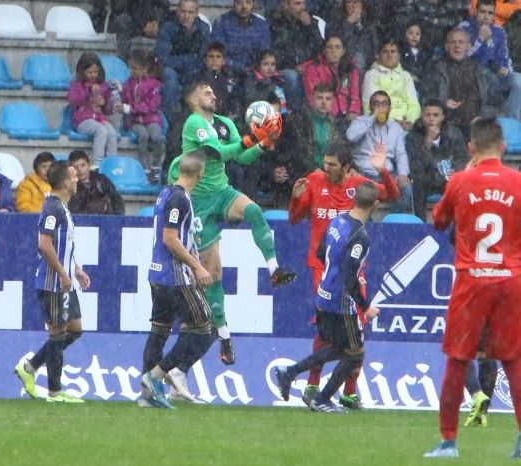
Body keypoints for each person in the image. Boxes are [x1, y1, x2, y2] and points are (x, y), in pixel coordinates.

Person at [167, 80, 295, 368]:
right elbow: (218, 153)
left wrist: (264, 143)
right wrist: (253, 137)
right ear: (192, 98)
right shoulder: (193, 123)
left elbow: (241, 156)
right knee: (213, 273)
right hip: (198, 203)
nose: (213, 93)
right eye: (205, 91)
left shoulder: (224, 123)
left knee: (254, 211)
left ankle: (274, 269)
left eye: (213, 90)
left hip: (222, 192)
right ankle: (224, 335)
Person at [425, 117, 521, 459]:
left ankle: (448, 442)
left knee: (458, 360)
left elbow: (438, 221)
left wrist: (463, 184)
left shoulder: (460, 181)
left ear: (470, 148)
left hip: (471, 279)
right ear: (504, 147)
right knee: (513, 361)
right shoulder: (518, 182)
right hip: (510, 280)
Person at [288, 141, 399, 407]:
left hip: (351, 268)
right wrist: (295, 198)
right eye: (325, 163)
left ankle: (349, 391)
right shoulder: (314, 181)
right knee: (327, 331)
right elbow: (294, 219)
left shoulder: (358, 185)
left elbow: (393, 196)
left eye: (332, 165)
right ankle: (313, 386)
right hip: (322, 267)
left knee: (357, 327)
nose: (325, 169)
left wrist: (383, 171)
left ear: (347, 167)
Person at [276, 181, 381, 412]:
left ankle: (290, 372)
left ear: (354, 200)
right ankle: (322, 399)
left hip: (323, 296)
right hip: (340, 304)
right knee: (355, 354)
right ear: (375, 204)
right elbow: (351, 276)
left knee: (339, 348)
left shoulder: (338, 220)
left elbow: (321, 252)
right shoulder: (360, 236)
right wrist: (365, 307)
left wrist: (331, 276)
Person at [140, 151, 215, 408]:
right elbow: (170, 238)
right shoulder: (179, 200)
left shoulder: (166, 193)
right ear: (200, 174)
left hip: (157, 274)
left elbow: (180, 237)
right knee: (204, 329)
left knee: (159, 331)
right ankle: (159, 375)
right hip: (173, 277)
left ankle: (148, 397)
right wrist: (197, 267)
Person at [14, 161, 91, 403]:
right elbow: (44, 244)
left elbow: (61, 244)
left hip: (65, 280)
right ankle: (55, 392)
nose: (77, 178)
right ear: (65, 182)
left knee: (75, 329)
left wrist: (75, 268)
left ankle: (30, 367)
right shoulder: (52, 208)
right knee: (57, 335)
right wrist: (62, 273)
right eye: (73, 176)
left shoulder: (62, 207)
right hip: (53, 283)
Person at [346, 90, 414, 213]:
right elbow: (351, 137)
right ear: (370, 107)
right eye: (376, 104)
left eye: (384, 104)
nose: (380, 107)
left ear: (390, 107)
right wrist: (372, 118)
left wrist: (403, 173)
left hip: (386, 176)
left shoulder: (395, 128)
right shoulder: (360, 121)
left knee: (406, 188)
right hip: (362, 174)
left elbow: (401, 154)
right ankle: (368, 226)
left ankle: (392, 222)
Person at [406, 98, 469, 220]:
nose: (431, 119)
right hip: (426, 179)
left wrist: (456, 170)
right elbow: (415, 166)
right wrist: (427, 143)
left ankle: (459, 223)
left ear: (442, 117)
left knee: (463, 185)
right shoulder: (413, 136)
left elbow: (463, 157)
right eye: (427, 115)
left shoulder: (453, 133)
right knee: (417, 185)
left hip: (448, 178)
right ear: (421, 116)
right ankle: (421, 223)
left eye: (436, 115)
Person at [460, 0, 521, 121]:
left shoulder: (498, 31)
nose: (486, 16)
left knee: (518, 79)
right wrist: (480, 40)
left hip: (493, 77)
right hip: (471, 76)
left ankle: (511, 120)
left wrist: (505, 68)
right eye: (482, 12)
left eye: (490, 13)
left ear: (494, 15)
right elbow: (461, 57)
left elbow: (504, 57)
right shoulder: (464, 28)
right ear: (475, 11)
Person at [154, 0, 210, 115]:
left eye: (190, 12)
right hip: (172, 69)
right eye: (183, 11)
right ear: (177, 11)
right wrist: (188, 59)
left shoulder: (203, 28)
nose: (186, 16)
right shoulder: (167, 28)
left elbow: (204, 57)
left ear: (196, 13)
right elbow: (162, 57)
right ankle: (170, 118)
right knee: (169, 77)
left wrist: (182, 61)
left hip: (194, 69)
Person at [268, 0, 324, 106]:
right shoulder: (277, 23)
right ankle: (297, 112)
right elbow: (274, 51)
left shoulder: (310, 22)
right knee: (292, 77)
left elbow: (320, 48)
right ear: (286, 5)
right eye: (297, 4)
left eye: (303, 3)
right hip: (284, 68)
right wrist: (293, 65)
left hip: (308, 67)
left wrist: (309, 26)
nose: (302, 7)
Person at [68, 52, 118, 167]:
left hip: (99, 119)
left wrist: (104, 103)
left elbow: (108, 109)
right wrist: (88, 91)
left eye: (96, 72)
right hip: (82, 121)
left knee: (112, 133)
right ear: (82, 72)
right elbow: (73, 100)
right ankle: (97, 165)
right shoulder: (77, 85)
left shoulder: (103, 85)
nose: (93, 75)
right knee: (101, 130)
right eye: (89, 72)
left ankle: (112, 164)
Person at [121, 50, 165, 180]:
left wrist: (132, 108)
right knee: (143, 135)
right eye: (132, 68)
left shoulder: (154, 84)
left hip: (151, 119)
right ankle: (145, 167)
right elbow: (124, 102)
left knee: (157, 137)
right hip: (135, 121)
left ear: (145, 69)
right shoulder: (127, 85)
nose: (134, 71)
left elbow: (152, 105)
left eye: (138, 68)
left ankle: (156, 166)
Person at [361, 38, 421, 131]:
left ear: (398, 56)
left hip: (406, 125)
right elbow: (370, 105)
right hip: (381, 125)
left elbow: (414, 104)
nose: (389, 55)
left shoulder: (405, 76)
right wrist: (392, 122)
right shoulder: (371, 75)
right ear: (379, 55)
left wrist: (409, 120)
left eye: (393, 51)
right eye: (385, 52)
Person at [301, 34, 362, 123]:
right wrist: (330, 115)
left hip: (348, 117)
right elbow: (313, 98)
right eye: (330, 47)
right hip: (325, 116)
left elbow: (355, 97)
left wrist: (353, 112)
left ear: (343, 51)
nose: (333, 51)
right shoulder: (313, 69)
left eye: (337, 47)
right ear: (324, 51)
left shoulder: (351, 69)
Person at [211, 0, 271, 75]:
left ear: (253, 4)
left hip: (255, 74)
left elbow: (264, 53)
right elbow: (218, 54)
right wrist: (241, 69)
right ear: (233, 4)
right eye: (239, 3)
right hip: (227, 73)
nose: (244, 7)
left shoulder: (261, 25)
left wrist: (253, 70)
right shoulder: (222, 23)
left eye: (248, 2)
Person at [68, 150, 125, 215]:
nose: (80, 169)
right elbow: (74, 212)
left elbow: (116, 199)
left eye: (83, 165)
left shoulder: (102, 180)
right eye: (76, 167)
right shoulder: (71, 187)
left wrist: (116, 219)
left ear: (89, 165)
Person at [399, 19, 431, 88]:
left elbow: (427, 69)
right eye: (411, 33)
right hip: (406, 82)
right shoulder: (401, 51)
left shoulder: (425, 53)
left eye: (417, 34)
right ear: (405, 34)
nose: (414, 36)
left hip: (421, 83)